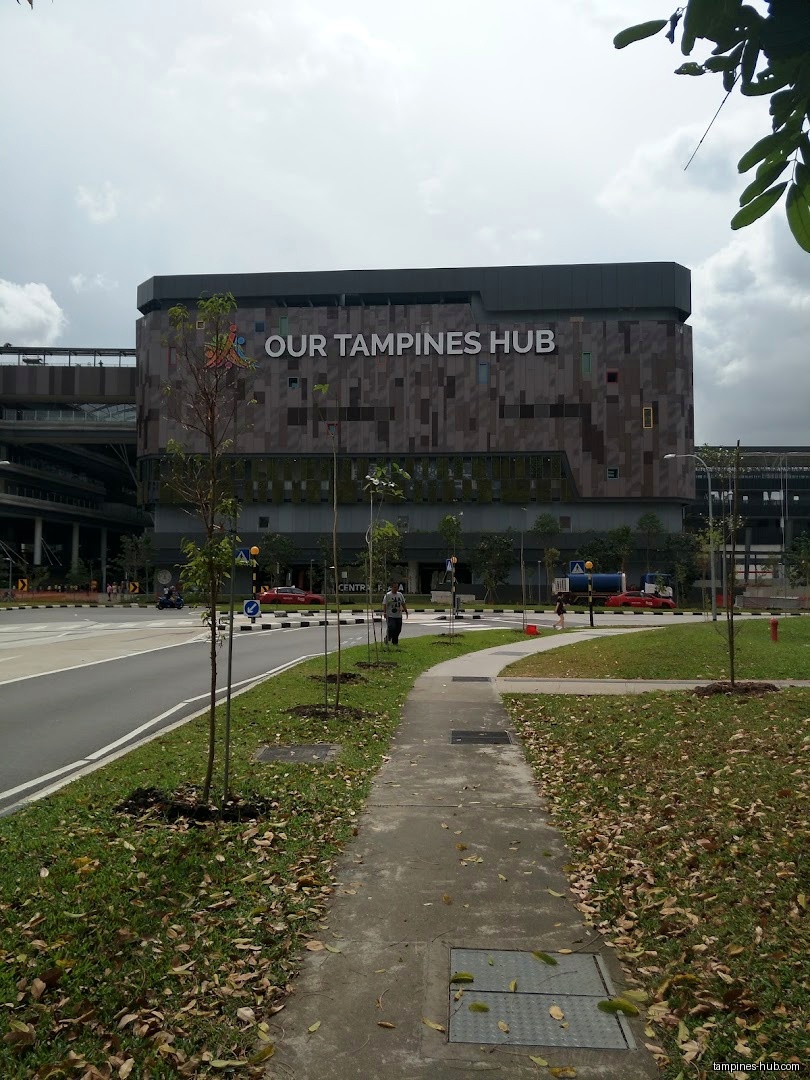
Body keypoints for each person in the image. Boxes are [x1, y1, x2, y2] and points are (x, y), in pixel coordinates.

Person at [382, 581, 408, 645]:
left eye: (397, 587)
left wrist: (406, 610)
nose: (396, 588)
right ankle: (388, 637)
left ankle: (395, 642)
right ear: (391, 587)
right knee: (391, 627)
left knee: (398, 629)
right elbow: (385, 604)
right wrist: (385, 613)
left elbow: (403, 603)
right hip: (390, 615)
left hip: (398, 615)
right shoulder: (388, 595)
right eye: (394, 587)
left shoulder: (400, 595)